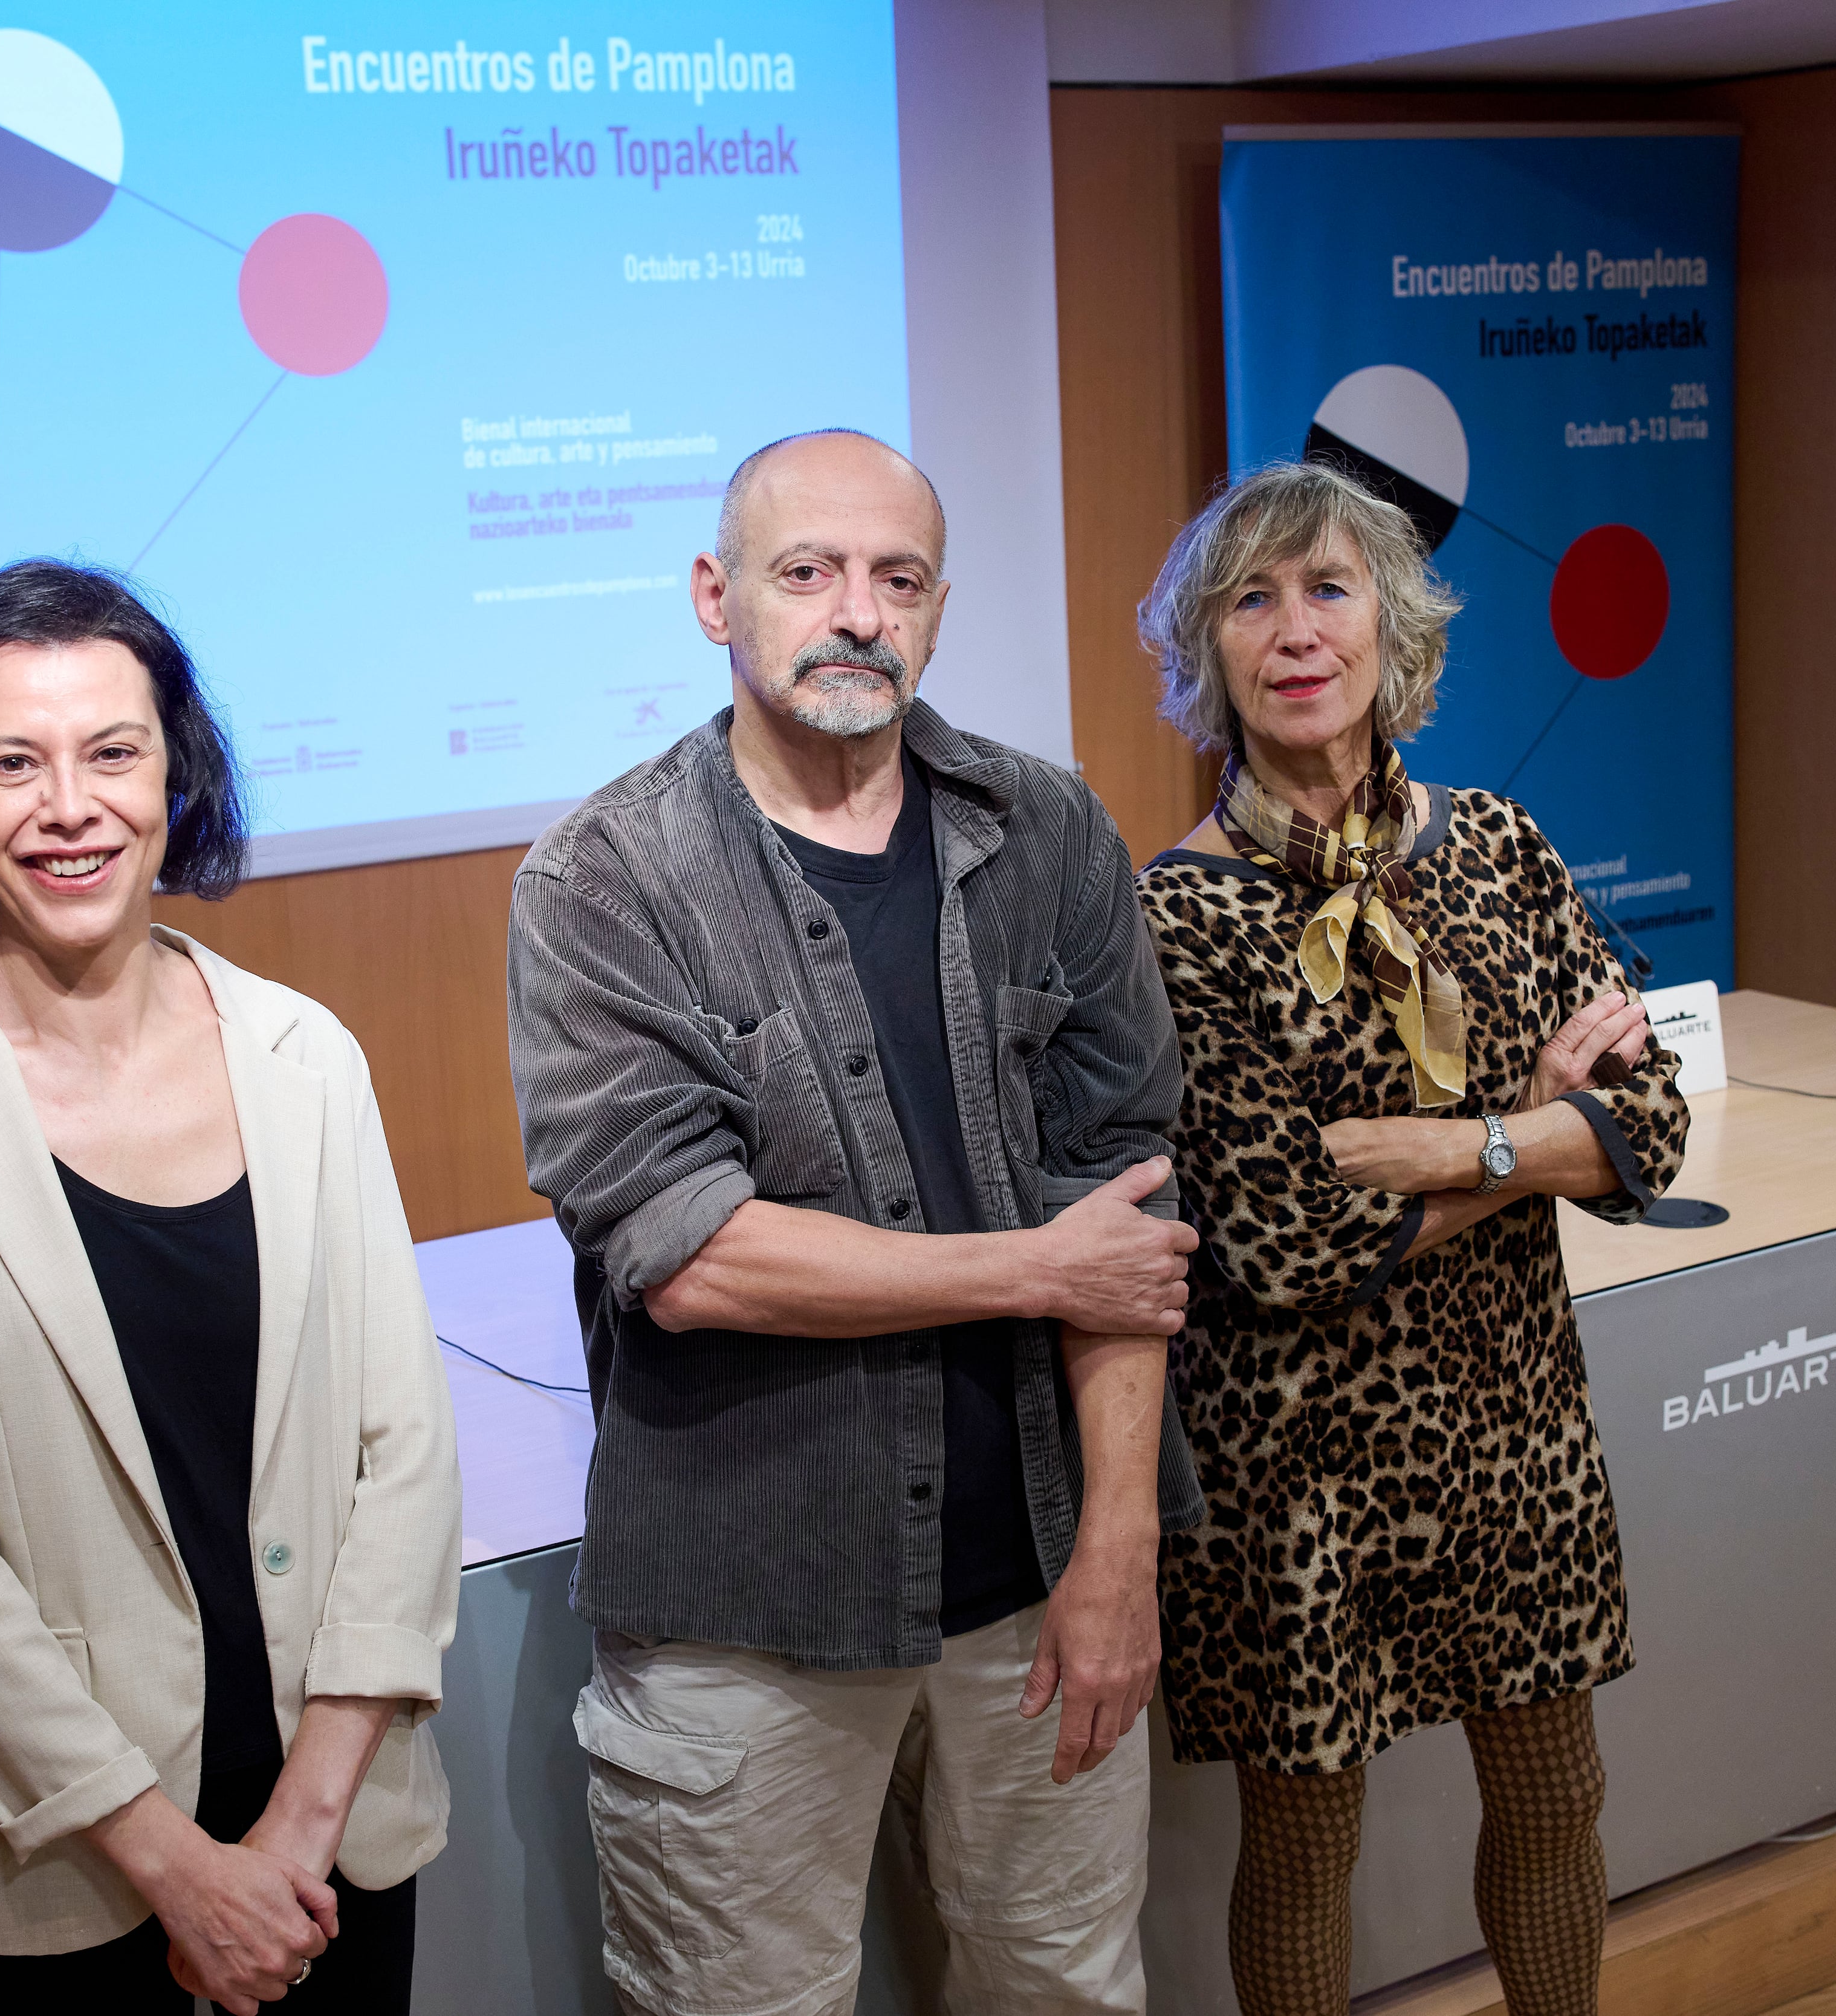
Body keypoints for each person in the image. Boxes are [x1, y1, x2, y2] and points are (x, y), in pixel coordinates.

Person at [507, 428, 1202, 2015]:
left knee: (1067, 1987)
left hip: (1039, 1561)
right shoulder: (607, 877)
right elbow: (692, 1255)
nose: (856, 613)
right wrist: (1033, 1264)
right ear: (715, 596)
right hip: (750, 1606)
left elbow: (1136, 1212)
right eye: (807, 571)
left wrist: (1118, 1545)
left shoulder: (1052, 832)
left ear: (940, 607)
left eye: (897, 578)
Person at [0, 560, 460, 2014]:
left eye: (113, 750)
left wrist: (292, 1833)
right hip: (62, 1863)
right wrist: (176, 1866)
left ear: (179, 771)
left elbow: (405, 1452)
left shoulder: (308, 1054)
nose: (69, 804)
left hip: (330, 1839)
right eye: (11, 763)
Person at [1131, 460, 1690, 2016]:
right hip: (1295, 1466)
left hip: (1516, 1425)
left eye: (1330, 589)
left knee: (1554, 1796)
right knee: (1305, 1851)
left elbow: (1653, 1125)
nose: (1296, 631)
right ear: (1208, 652)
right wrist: (1542, 1130)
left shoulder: (1502, 843)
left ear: (1395, 626)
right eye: (1252, 599)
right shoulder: (1171, 915)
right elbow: (1282, 1240)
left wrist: (1465, 1141)